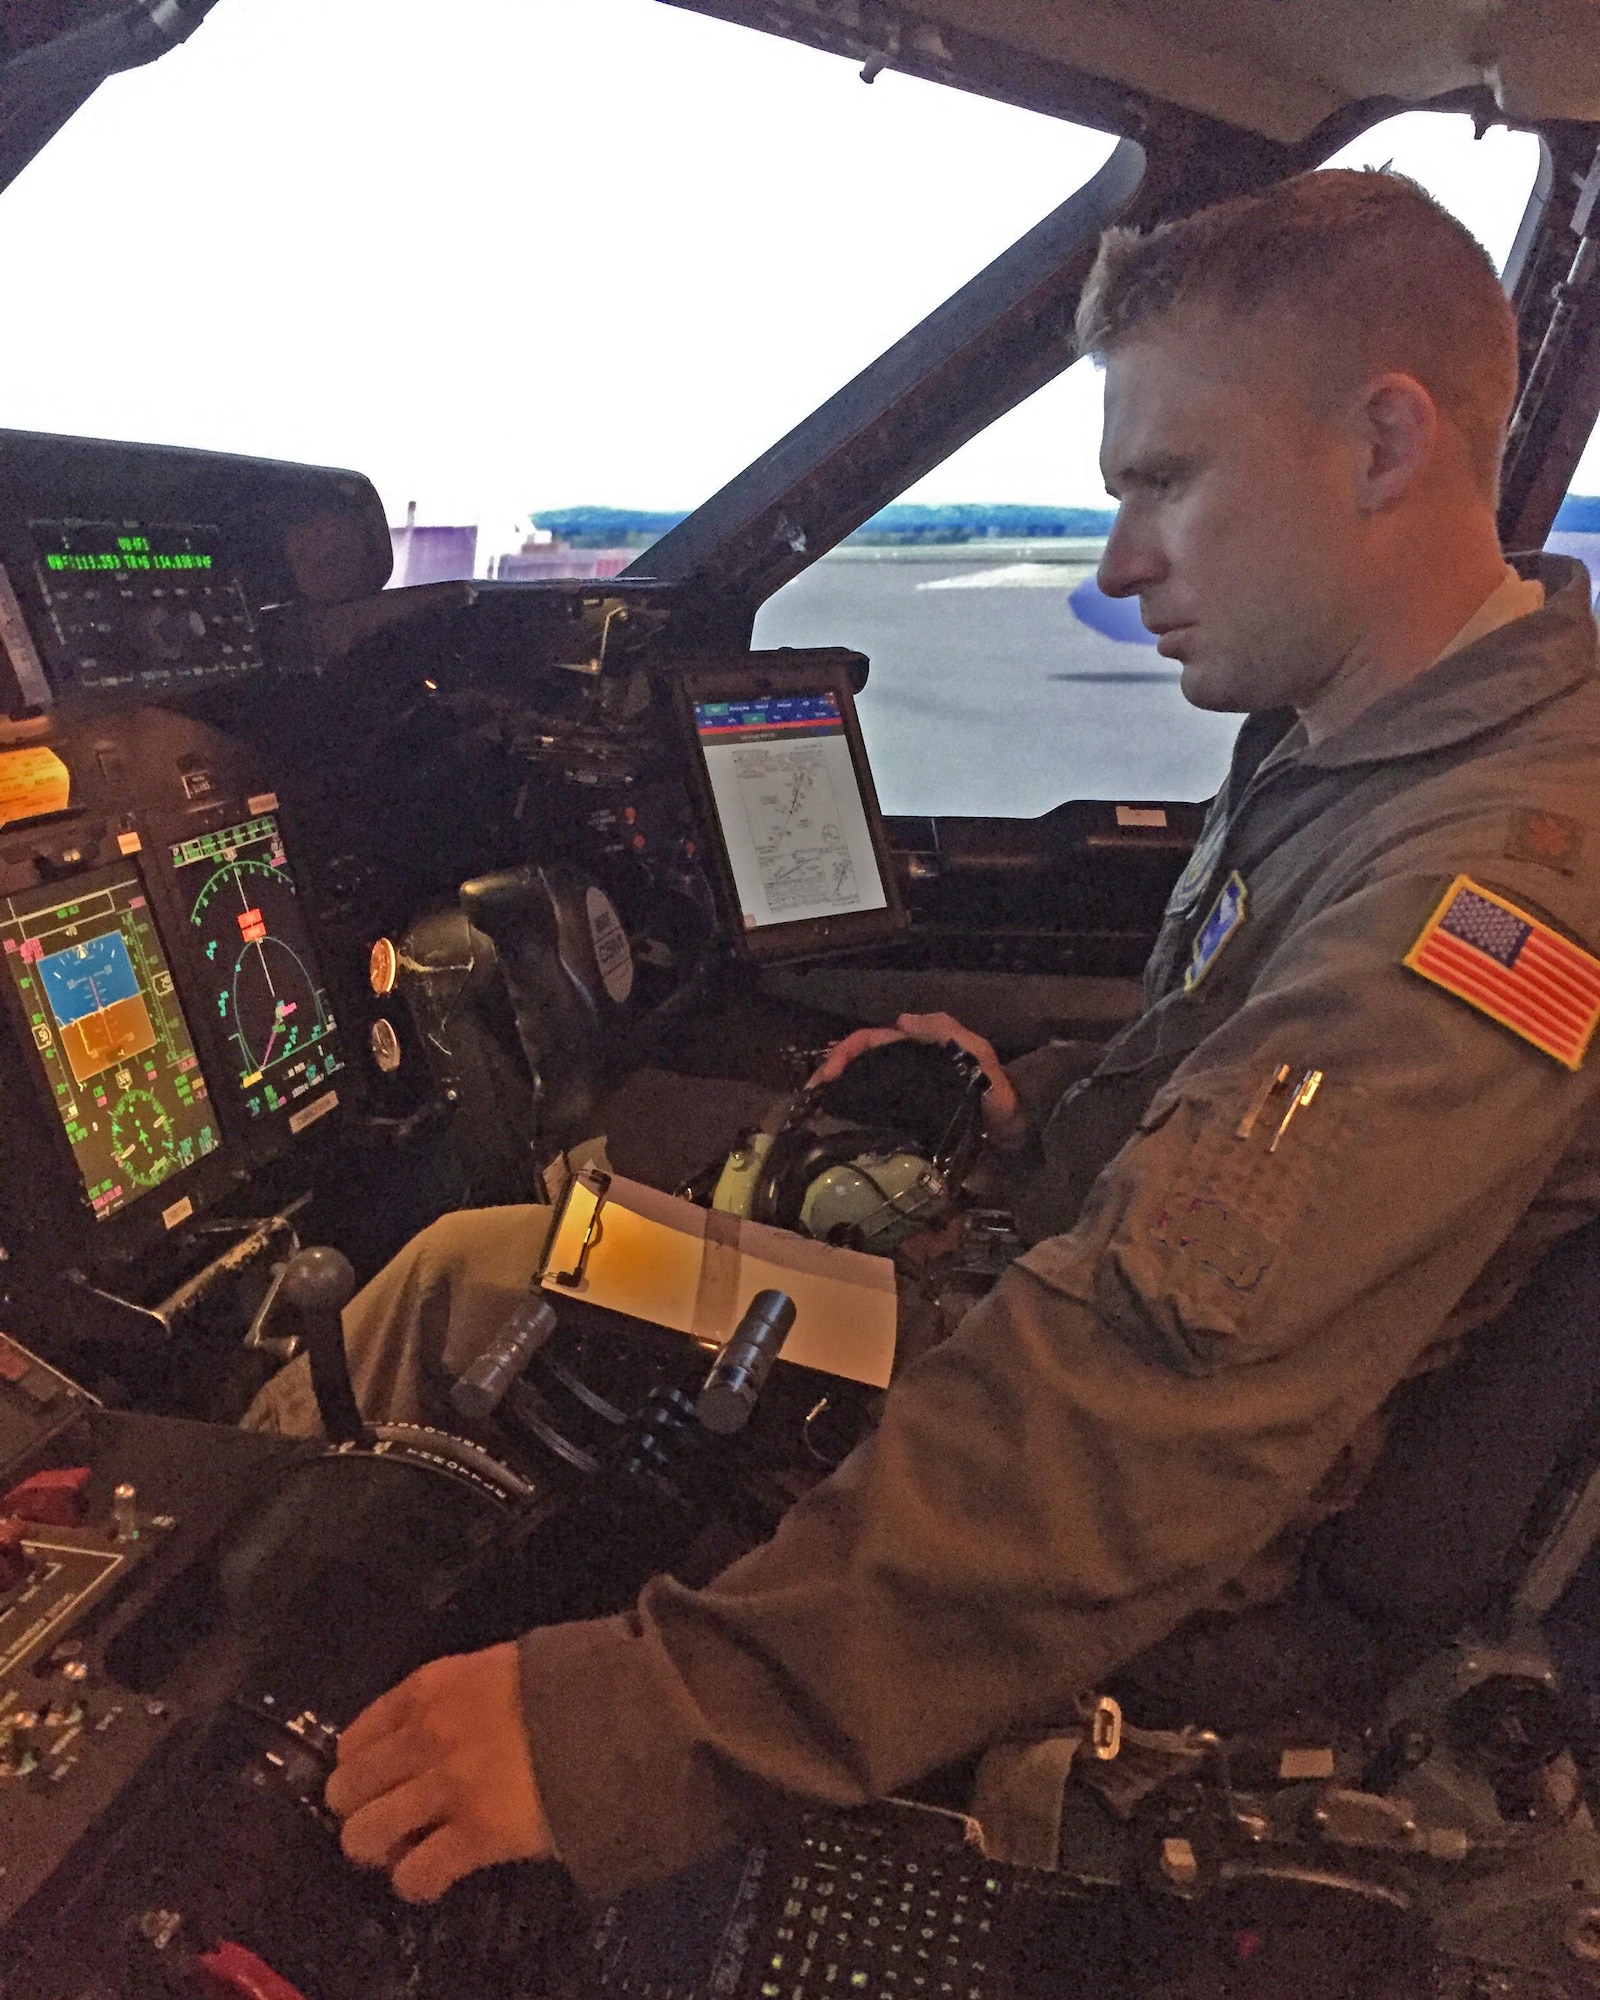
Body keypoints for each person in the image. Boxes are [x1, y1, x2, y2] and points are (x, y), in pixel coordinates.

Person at [310, 168, 1600, 1908]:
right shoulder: (1367, 743)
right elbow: (1228, 1082)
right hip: (1046, 1308)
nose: (1121, 561)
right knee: (574, 1229)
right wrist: (1036, 1109)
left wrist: (640, 1722)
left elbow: (1154, 1410)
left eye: (1165, 481)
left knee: (476, 1284)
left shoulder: (1491, 884)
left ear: (1383, 442)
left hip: (1168, 1542)